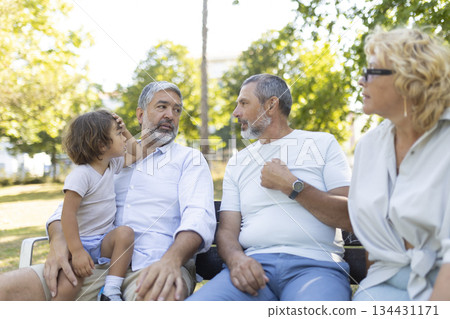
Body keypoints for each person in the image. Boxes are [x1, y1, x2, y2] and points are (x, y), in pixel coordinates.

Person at [0, 81, 216, 301]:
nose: (171, 115)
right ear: (140, 115)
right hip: (93, 264)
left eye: (177, 110)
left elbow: (198, 217)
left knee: (157, 301)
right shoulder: (109, 156)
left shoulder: (189, 160)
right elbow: (63, 211)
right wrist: (58, 242)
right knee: (5, 289)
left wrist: (172, 260)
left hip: (153, 265)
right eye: (162, 107)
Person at [188, 74, 352, 301]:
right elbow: (227, 230)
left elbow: (348, 216)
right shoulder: (238, 162)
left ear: (271, 105)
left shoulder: (322, 144)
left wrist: (292, 186)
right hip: (253, 268)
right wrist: (237, 260)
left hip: (316, 267)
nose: (236, 113)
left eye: (243, 103)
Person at [349, 27, 450, 301]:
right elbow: (374, 243)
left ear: (409, 79)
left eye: (371, 71)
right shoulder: (368, 147)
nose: (361, 80)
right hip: (382, 284)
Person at [56, 110, 139, 301]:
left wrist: (124, 129)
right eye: (118, 134)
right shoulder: (81, 175)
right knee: (69, 286)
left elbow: (138, 153)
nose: (123, 138)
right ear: (102, 145)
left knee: (125, 233)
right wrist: (77, 251)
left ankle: (110, 290)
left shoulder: (112, 165)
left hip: (103, 242)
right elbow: (67, 215)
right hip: (79, 243)